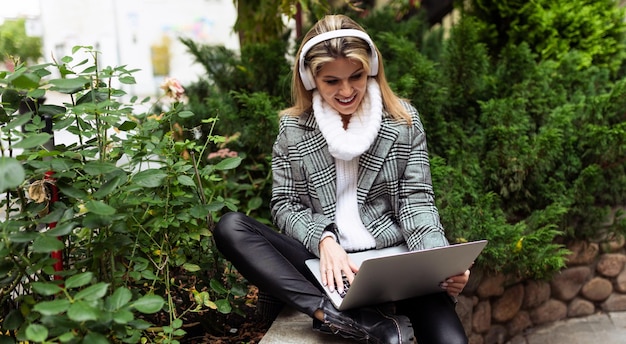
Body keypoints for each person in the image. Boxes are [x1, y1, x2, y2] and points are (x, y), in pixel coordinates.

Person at [214, 14, 470, 344]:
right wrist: (325, 239)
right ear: (310, 79)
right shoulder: (293, 131)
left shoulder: (403, 122)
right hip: (326, 264)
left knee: (452, 341)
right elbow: (285, 205)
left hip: (390, 261)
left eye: (356, 76)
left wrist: (440, 265)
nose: (347, 90)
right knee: (231, 227)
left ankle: (359, 317)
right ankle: (335, 316)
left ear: (372, 68)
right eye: (332, 81)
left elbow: (417, 202)